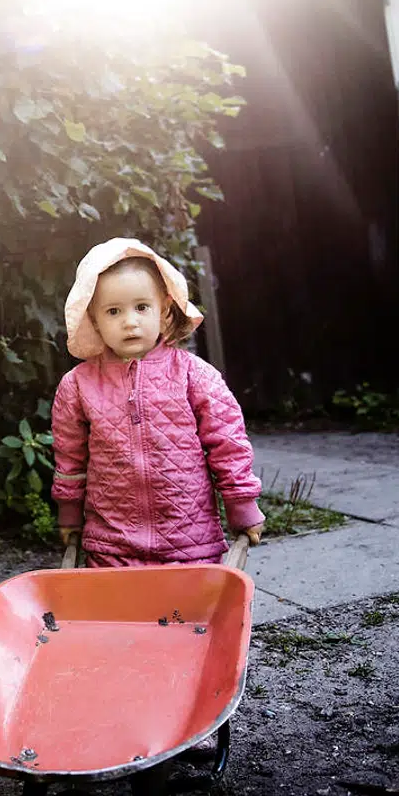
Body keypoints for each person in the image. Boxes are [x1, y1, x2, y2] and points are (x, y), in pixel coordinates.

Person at [51, 237, 264, 568]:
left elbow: (228, 444)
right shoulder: (78, 385)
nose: (130, 321)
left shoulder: (194, 375)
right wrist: (69, 513)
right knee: (125, 619)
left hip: (189, 540)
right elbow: (69, 458)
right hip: (112, 542)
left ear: (164, 311)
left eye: (141, 307)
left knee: (188, 616)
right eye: (113, 311)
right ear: (94, 319)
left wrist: (242, 504)